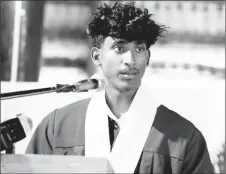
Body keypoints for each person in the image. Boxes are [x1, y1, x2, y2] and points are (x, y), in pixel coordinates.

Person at [26, 2, 214, 173]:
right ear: (96, 56)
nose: (130, 61)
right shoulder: (57, 128)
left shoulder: (182, 137)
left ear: (148, 58)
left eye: (139, 49)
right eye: (119, 48)